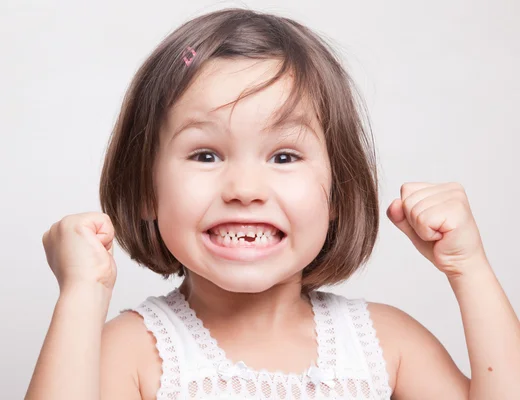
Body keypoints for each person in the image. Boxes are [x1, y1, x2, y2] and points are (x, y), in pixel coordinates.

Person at [25, 8, 520, 400]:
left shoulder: (386, 345)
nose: (245, 188)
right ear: (146, 192)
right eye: (205, 154)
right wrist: (82, 294)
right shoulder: (133, 354)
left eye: (284, 155)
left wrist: (468, 269)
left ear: (338, 193)